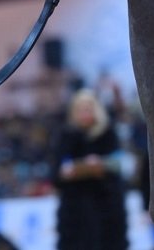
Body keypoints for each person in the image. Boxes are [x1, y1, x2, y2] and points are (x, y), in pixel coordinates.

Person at [51, 89, 128, 250]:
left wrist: (102, 165)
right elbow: (55, 173)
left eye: (88, 108)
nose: (84, 113)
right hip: (75, 214)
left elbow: (120, 166)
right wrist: (67, 172)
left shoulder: (108, 134)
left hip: (107, 210)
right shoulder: (66, 136)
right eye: (80, 109)